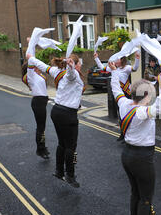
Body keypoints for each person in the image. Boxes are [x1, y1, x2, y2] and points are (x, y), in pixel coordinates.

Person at [108, 60, 161, 215]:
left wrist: (114, 72)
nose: (153, 97)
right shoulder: (142, 112)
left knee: (135, 192)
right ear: (146, 96)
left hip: (127, 155)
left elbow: (116, 88)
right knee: (146, 197)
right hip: (142, 158)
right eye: (151, 94)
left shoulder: (124, 104)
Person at [26, 53, 85, 188]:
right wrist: (71, 67)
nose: (81, 65)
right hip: (68, 114)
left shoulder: (57, 71)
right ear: (75, 64)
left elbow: (44, 67)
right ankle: (70, 174)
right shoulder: (72, 74)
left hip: (57, 111)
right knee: (71, 146)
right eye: (79, 63)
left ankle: (59, 171)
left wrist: (31, 58)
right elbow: (71, 75)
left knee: (62, 144)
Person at [94, 52, 140, 141]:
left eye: (117, 59)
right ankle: (122, 133)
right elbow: (102, 67)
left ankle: (129, 133)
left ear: (122, 60)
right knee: (120, 114)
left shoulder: (126, 68)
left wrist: (137, 59)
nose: (115, 60)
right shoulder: (113, 69)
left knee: (128, 114)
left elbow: (135, 68)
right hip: (118, 94)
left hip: (126, 94)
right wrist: (96, 58)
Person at [21, 61, 50, 160]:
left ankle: (42, 148)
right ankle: (40, 149)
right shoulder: (30, 77)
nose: (38, 67)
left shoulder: (38, 75)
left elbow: (43, 84)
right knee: (41, 127)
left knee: (42, 127)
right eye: (35, 66)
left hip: (42, 101)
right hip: (38, 102)